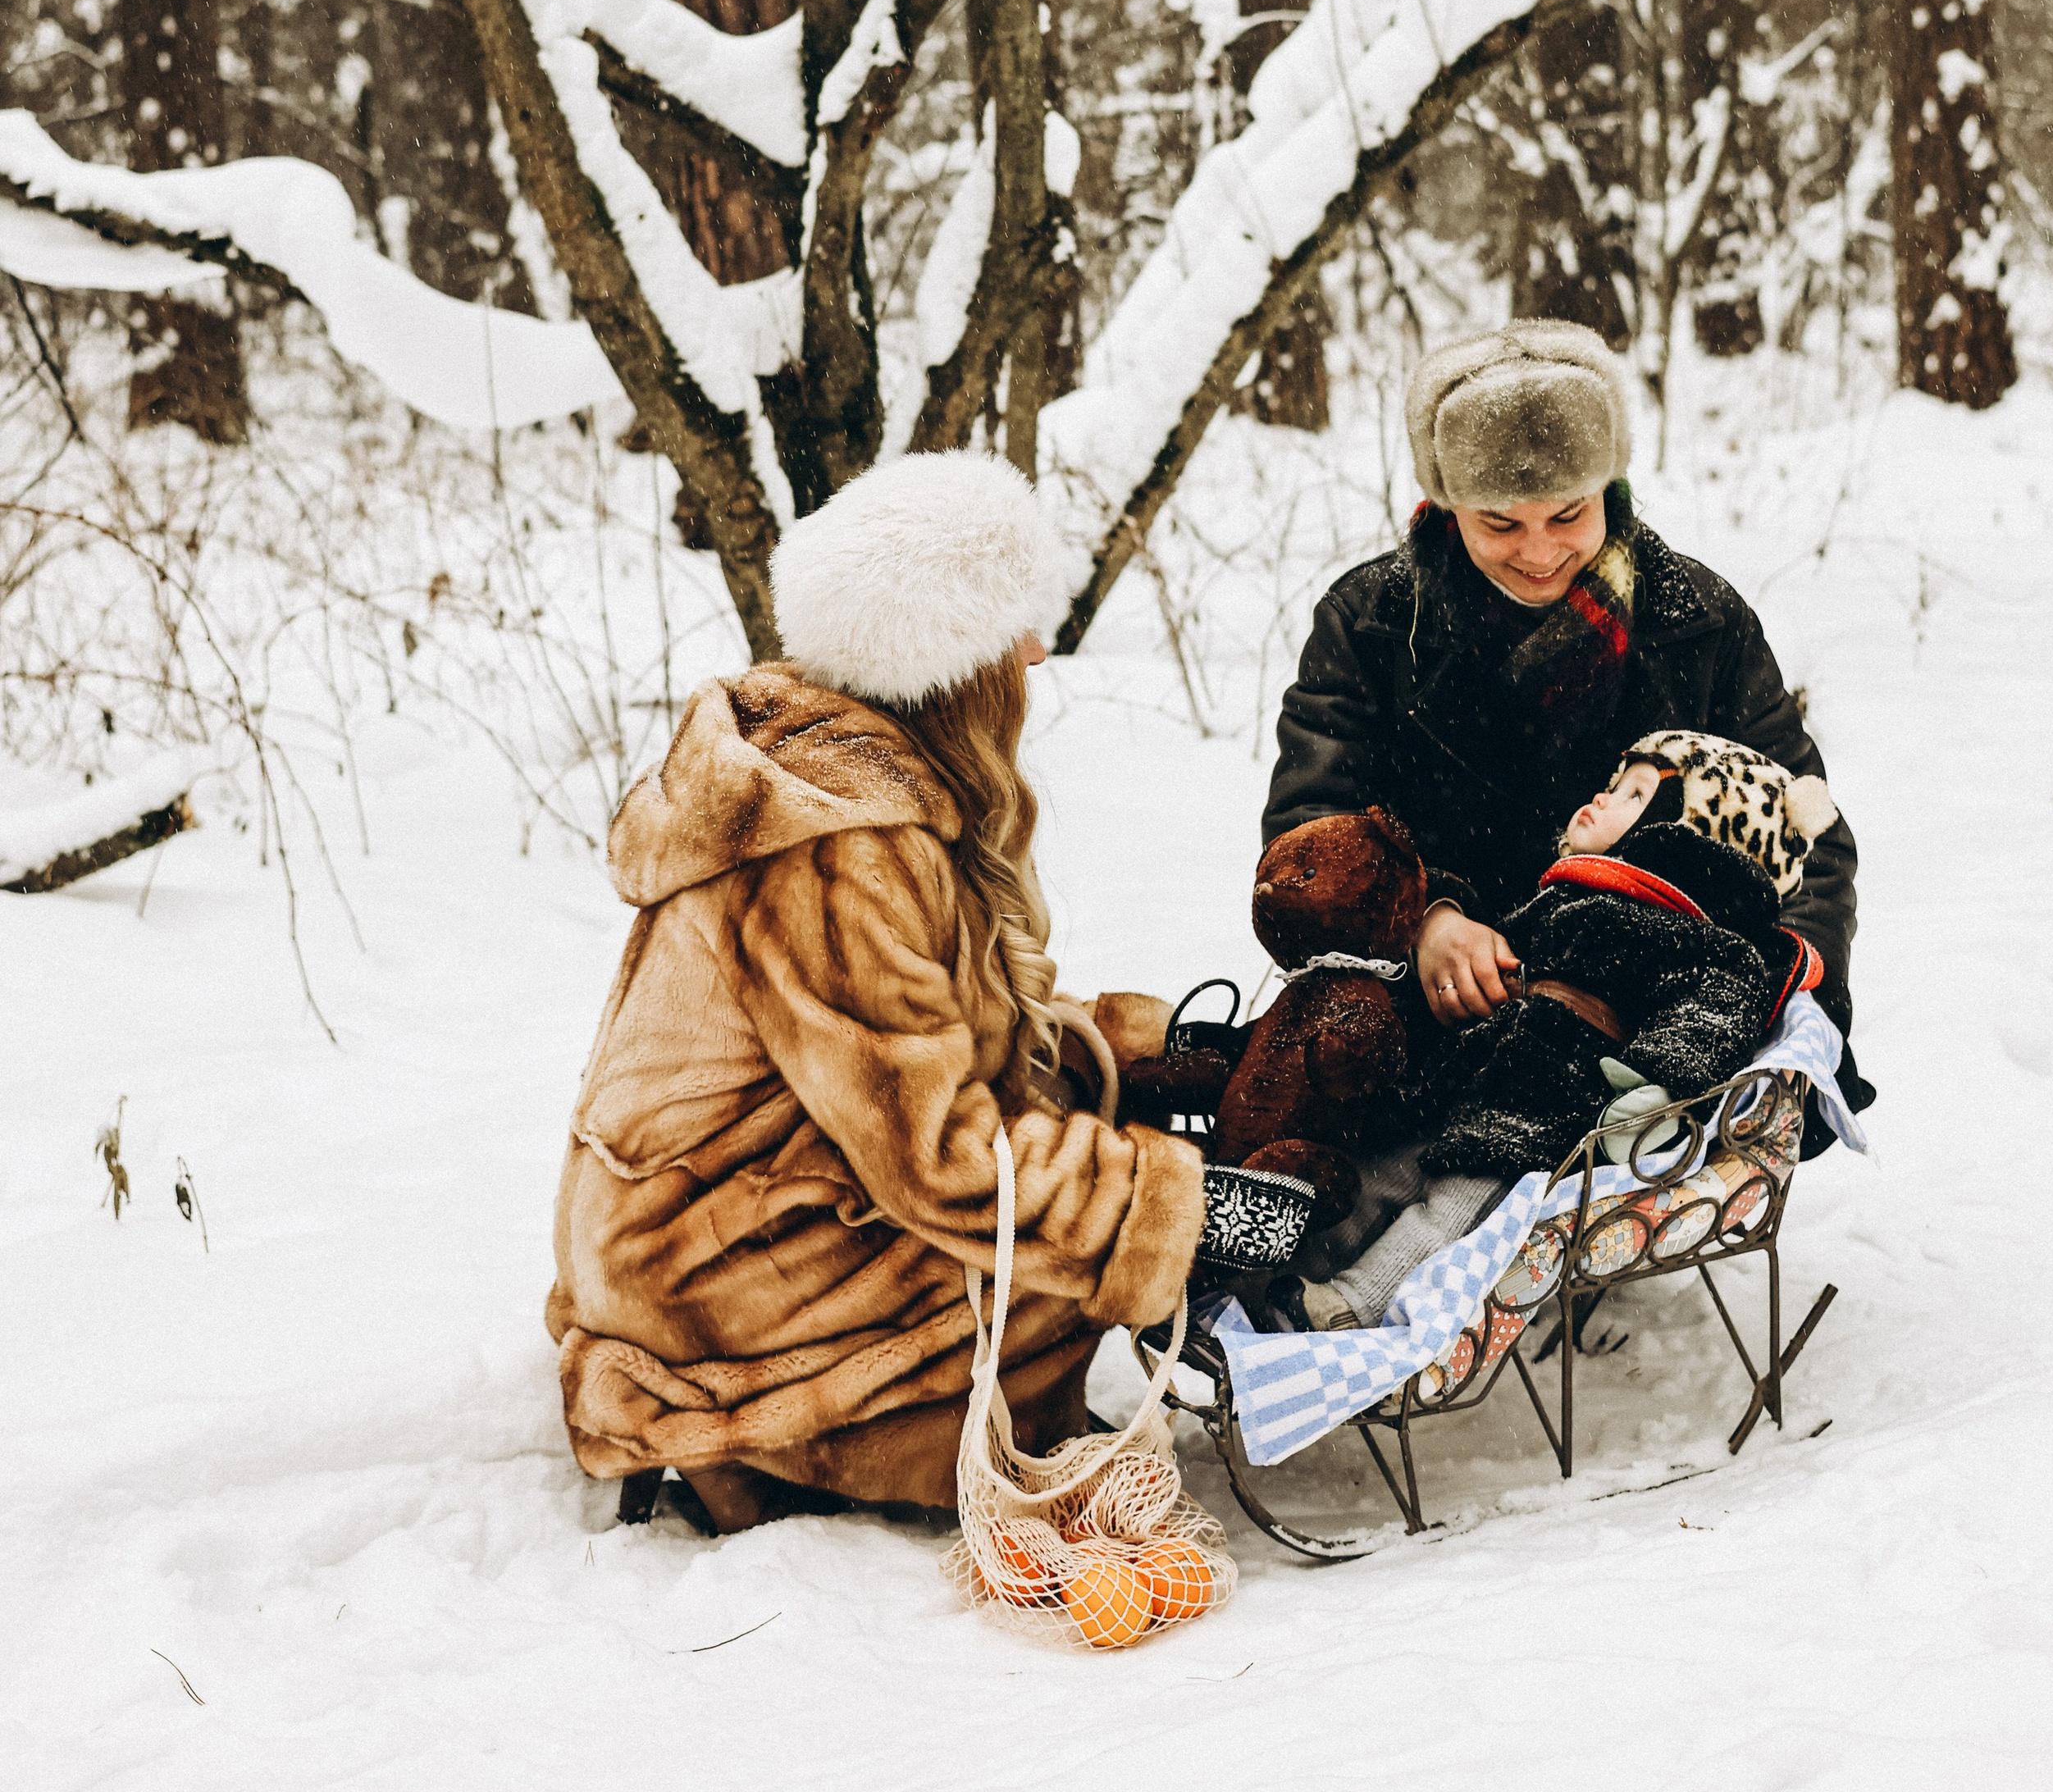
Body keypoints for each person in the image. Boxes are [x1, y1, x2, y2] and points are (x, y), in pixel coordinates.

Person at [546, 453, 1211, 1529]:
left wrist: (1122, 1050)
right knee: (1056, 1268)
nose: (1041, 650)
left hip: (710, 1227)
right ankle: (790, 1448)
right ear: (951, 665)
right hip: (715, 1290)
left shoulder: (829, 761)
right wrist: (1164, 1207)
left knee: (1080, 1144)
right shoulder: (834, 850)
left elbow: (921, 1044)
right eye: (1017, 630)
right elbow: (940, 1156)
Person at [1261, 320, 1868, 1133]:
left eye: (1568, 515)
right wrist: (1425, 923)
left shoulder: (1697, 621)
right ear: (1447, 503)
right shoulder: (1370, 624)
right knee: (1335, 1067)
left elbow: (1806, 830)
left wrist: (1766, 980)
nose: (1539, 552)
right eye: (1499, 523)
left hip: (1644, 1010)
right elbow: (1309, 836)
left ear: (1608, 493)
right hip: (1431, 1009)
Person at [1289, 727, 1836, 1329]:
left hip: (1551, 1112)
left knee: (1458, 1207)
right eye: (1614, 785)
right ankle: (1289, 1280)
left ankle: (1351, 1306)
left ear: (1692, 839)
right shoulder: (1567, 895)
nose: (1602, 798)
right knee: (1382, 1174)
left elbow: (1708, 1017)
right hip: (1476, 1080)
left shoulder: (1709, 945)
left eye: (1633, 796)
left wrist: (1656, 1089)